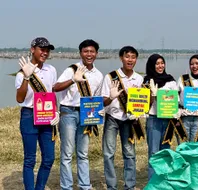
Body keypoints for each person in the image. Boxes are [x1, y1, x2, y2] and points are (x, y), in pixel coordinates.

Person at [53, 39, 104, 190]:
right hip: (68, 112)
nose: (89, 54)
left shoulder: (99, 75)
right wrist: (72, 80)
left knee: (83, 153)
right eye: (86, 51)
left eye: (92, 51)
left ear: (96, 54)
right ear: (81, 53)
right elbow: (56, 87)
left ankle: (84, 185)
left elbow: (97, 98)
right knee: (67, 153)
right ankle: (66, 187)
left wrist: (100, 111)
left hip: (86, 114)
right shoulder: (72, 70)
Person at [15, 37, 59, 190]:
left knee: (49, 158)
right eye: (42, 49)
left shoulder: (51, 70)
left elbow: (52, 93)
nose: (45, 53)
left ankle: (39, 187)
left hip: (47, 115)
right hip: (29, 115)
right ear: (33, 49)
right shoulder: (22, 72)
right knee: (30, 159)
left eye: (47, 50)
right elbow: (20, 99)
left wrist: (56, 111)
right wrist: (27, 77)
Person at [101, 46, 143, 190]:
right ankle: (111, 186)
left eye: (133, 57)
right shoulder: (111, 77)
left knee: (130, 154)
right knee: (108, 153)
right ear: (121, 58)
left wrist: (139, 112)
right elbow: (103, 101)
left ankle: (130, 186)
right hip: (112, 117)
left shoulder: (139, 78)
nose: (130, 60)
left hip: (129, 120)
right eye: (127, 56)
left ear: (136, 59)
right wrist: (111, 97)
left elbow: (141, 102)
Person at [142, 54, 177, 180]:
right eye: (157, 63)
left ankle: (164, 180)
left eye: (162, 63)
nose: (160, 66)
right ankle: (153, 182)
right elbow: (145, 105)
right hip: (153, 119)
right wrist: (151, 94)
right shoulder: (146, 81)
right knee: (153, 152)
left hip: (168, 120)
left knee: (166, 151)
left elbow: (175, 100)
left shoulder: (171, 80)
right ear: (152, 65)